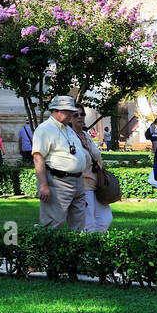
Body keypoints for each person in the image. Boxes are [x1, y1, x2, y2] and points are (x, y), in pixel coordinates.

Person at [32, 95, 91, 230]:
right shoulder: (45, 129)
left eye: (72, 111)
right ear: (56, 110)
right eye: (68, 111)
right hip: (57, 182)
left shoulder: (68, 128)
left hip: (77, 182)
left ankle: (77, 250)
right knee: (54, 224)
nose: (72, 114)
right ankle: (47, 250)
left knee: (79, 224)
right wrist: (43, 185)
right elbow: (38, 157)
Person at [72, 107, 112, 233]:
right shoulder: (68, 137)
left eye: (82, 114)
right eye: (75, 114)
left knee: (105, 219)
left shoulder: (86, 136)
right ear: (69, 118)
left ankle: (98, 246)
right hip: (82, 185)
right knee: (88, 224)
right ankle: (89, 249)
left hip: (97, 185)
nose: (80, 117)